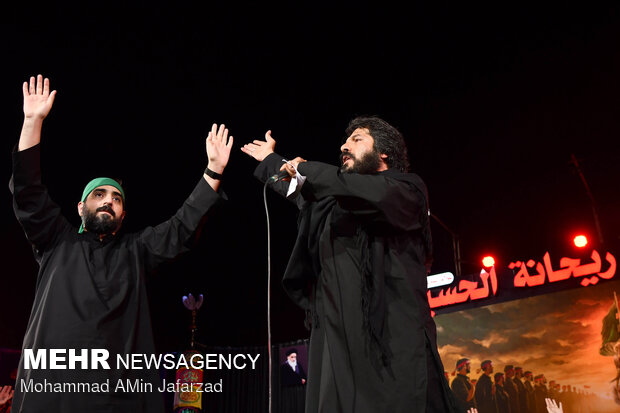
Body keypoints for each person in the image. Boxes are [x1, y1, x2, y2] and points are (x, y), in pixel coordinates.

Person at [9, 75, 232, 412]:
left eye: (115, 198)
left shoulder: (135, 251)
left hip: (116, 395)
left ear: (124, 214)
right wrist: (32, 121)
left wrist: (213, 171)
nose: (107, 201)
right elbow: (27, 191)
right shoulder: (56, 239)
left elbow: (181, 228)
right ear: (81, 207)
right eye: (99, 195)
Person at [242, 116, 457, 412]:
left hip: (388, 343)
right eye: (345, 141)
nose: (344, 146)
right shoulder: (334, 201)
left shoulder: (405, 189)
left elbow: (345, 187)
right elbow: (302, 192)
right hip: (335, 344)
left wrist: (303, 167)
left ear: (384, 152)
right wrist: (271, 160)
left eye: (357, 139)